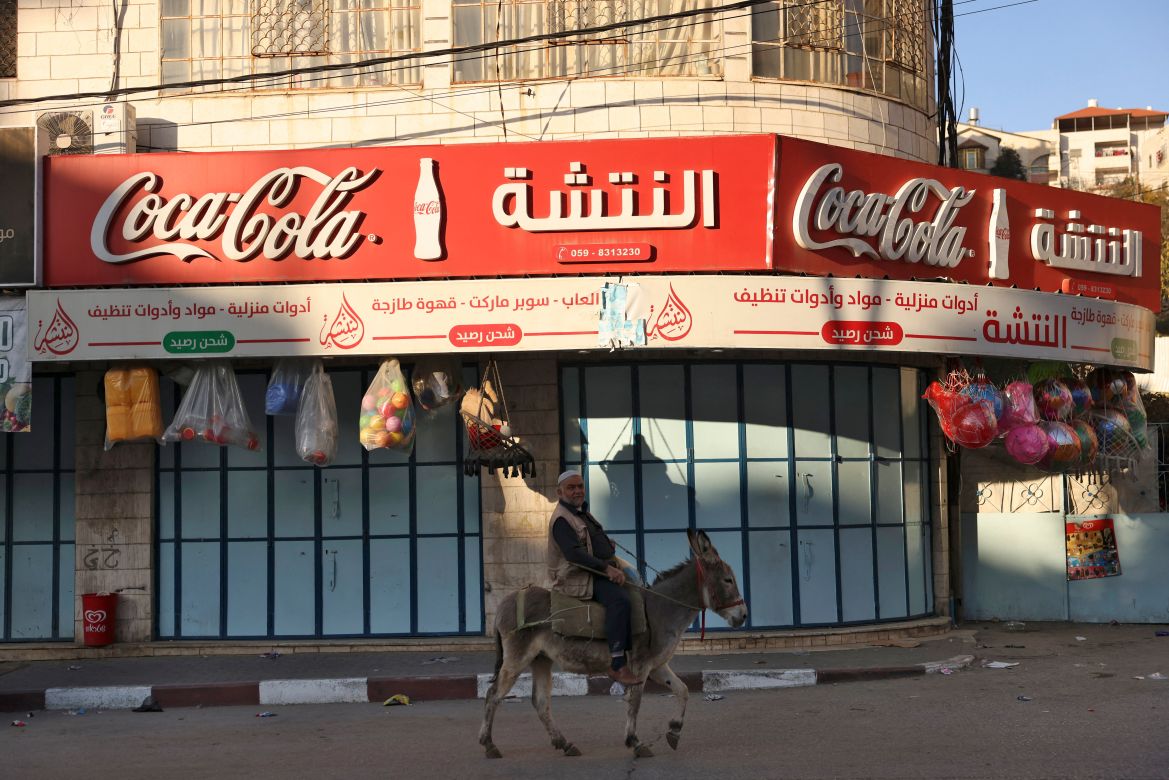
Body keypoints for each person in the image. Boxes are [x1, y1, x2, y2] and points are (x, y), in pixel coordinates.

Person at [546, 469, 639, 685]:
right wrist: (607, 569)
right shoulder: (561, 519)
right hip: (578, 577)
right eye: (571, 487)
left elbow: (589, 541)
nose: (577, 491)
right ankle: (617, 663)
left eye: (580, 486)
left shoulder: (581, 512)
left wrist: (607, 547)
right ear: (560, 492)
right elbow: (574, 555)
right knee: (620, 600)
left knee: (636, 584)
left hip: (593, 570)